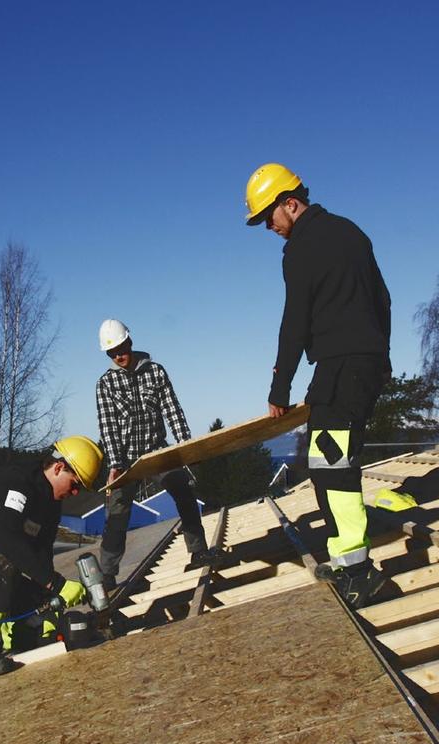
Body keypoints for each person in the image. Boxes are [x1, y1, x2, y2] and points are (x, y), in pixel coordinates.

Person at [244, 162, 392, 609]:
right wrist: (379, 352)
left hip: (341, 365)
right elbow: (382, 299)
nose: (268, 226)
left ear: (291, 203)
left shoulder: (302, 249)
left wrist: (279, 386)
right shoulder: (352, 232)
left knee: (332, 463)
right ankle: (345, 559)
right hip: (362, 363)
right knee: (326, 455)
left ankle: (359, 570)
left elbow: (296, 320)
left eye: (269, 216)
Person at [0, 435, 103, 676]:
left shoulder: (50, 502)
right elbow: (9, 539)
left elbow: (41, 554)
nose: (75, 493)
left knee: (35, 625)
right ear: (58, 468)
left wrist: (48, 598)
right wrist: (57, 584)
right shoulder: (17, 483)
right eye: (74, 484)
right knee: (2, 559)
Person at [95, 319, 228, 589]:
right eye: (112, 353)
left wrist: (186, 447)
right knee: (117, 514)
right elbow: (108, 427)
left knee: (184, 491)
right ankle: (108, 575)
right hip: (127, 461)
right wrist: (116, 464)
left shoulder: (155, 372)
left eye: (121, 348)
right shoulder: (105, 384)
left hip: (157, 452)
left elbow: (172, 410)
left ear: (130, 342)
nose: (119, 356)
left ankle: (198, 551)